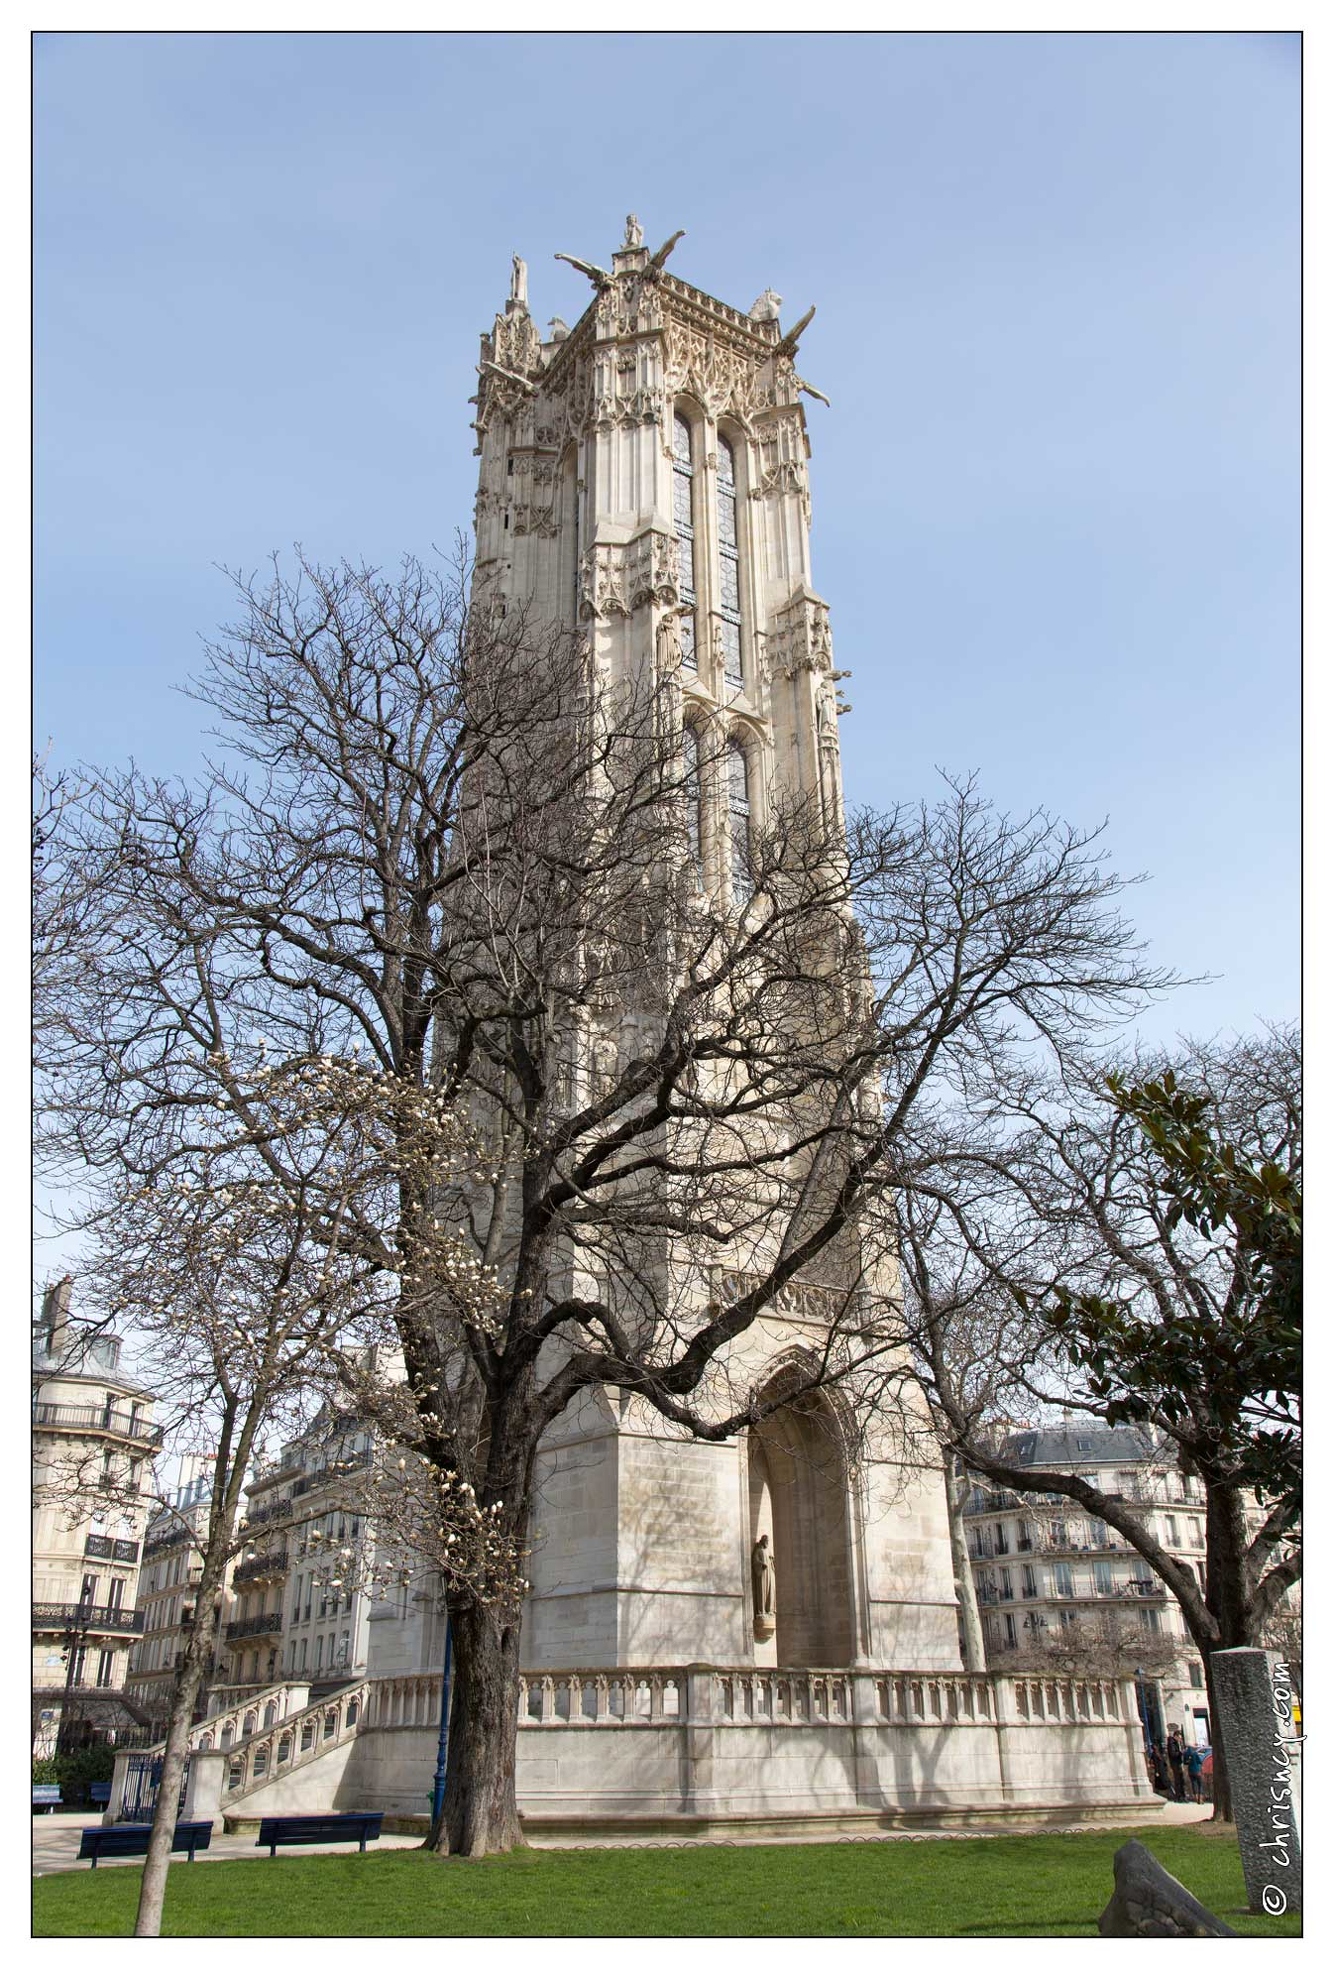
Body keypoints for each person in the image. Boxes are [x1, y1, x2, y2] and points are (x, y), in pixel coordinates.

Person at [1166, 1727, 1186, 1801]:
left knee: (1181, 1780)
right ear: (1176, 1736)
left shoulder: (1177, 1743)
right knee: (1178, 1780)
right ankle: (1178, 1796)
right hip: (1175, 1764)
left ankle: (1182, 1795)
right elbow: (1173, 1754)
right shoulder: (1172, 1743)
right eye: (1179, 1738)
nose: (1180, 1739)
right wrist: (1180, 1752)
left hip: (1179, 1763)